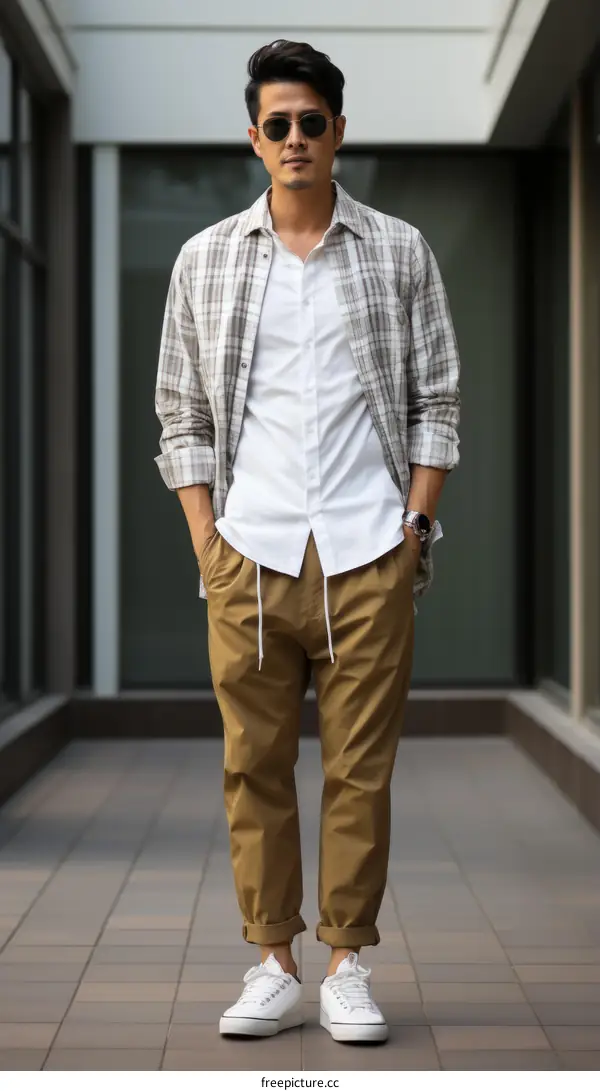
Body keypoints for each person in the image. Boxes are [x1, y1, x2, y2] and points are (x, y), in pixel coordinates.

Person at [154, 39, 460, 1044]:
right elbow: (183, 416)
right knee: (255, 765)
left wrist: (415, 526)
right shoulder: (205, 259)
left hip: (370, 551)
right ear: (254, 138)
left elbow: (437, 403)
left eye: (311, 121)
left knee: (360, 769)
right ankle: (272, 960)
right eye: (276, 124)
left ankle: (346, 962)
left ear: (339, 131)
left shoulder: (400, 250)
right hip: (251, 553)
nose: (295, 138)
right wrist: (209, 541)